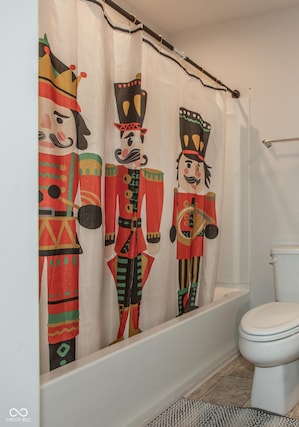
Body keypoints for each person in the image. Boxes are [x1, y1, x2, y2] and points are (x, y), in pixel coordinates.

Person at [38, 34, 102, 369]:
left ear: (78, 129)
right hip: (32, 238)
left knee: (64, 306)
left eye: (61, 120)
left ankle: (64, 368)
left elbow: (91, 200)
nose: (48, 126)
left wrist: (89, 206)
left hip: (63, 235)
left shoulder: (81, 161)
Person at [104, 74, 164, 342]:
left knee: (136, 284)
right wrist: (107, 235)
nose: (135, 147)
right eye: (129, 139)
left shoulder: (149, 175)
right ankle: (118, 330)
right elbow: (108, 201)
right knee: (120, 284)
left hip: (138, 238)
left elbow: (155, 200)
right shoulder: (113, 172)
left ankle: (134, 326)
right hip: (120, 236)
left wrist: (153, 234)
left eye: (139, 139)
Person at [171, 108, 218, 316]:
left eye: (199, 167)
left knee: (195, 269)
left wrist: (211, 226)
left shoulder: (204, 196)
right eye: (188, 165)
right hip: (182, 240)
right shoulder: (177, 193)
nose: (194, 173)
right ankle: (182, 304)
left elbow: (211, 210)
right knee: (182, 270)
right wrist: (173, 226)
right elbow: (171, 211)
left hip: (197, 238)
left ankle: (193, 297)